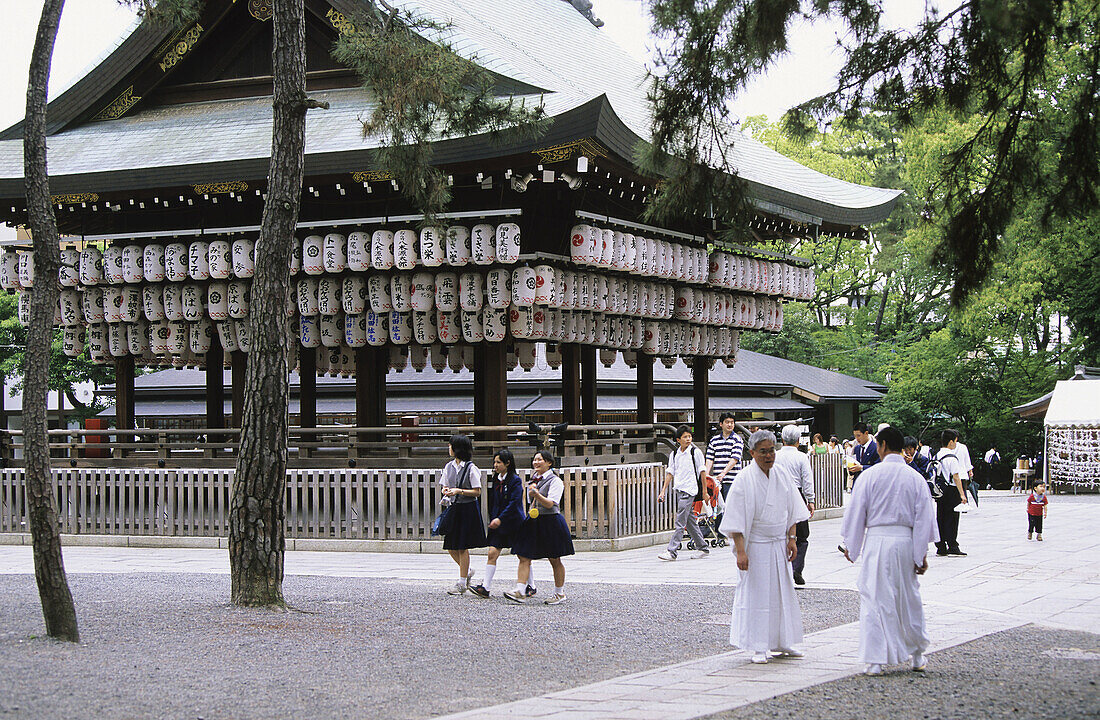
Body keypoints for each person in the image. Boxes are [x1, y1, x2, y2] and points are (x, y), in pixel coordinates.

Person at [841, 426, 938, 676]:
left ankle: (875, 660)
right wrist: (921, 553)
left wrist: (851, 546)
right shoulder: (914, 477)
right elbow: (924, 517)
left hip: (877, 540)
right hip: (905, 540)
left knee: (875, 597)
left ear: (882, 446)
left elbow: (856, 512)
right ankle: (917, 655)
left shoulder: (869, 476)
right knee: (908, 596)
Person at [718, 430, 811, 664]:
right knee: (757, 595)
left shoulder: (781, 475)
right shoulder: (743, 479)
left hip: (778, 542)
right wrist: (741, 550)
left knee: (782, 593)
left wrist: (791, 537)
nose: (769, 456)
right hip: (756, 545)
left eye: (771, 451)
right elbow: (736, 520)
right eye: (763, 452)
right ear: (752, 453)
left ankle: (783, 641)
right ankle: (759, 645)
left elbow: (792, 510)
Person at [504, 450, 574, 605]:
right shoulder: (535, 479)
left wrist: (536, 495)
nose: (536, 463)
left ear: (549, 462)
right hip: (534, 521)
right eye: (534, 460)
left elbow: (551, 503)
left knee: (554, 558)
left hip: (550, 522)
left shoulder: (555, 481)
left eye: (539, 460)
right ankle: (520, 590)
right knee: (523, 554)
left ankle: (559, 593)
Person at [469, 449, 527, 599]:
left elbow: (514, 503)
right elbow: (493, 501)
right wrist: (493, 517)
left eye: (498, 462)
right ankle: (485, 587)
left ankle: (530, 586)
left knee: (522, 555)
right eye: (494, 462)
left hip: (513, 521)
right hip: (497, 521)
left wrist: (501, 518)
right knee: (492, 553)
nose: (495, 465)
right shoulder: (496, 479)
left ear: (508, 463)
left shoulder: (515, 480)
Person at [440, 433, 487, 594]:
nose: (449, 448)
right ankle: (466, 571)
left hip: (467, 509)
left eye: (450, 445)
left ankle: (461, 583)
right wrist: (446, 490)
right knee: (451, 546)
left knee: (462, 546)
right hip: (454, 507)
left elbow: (477, 491)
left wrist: (459, 490)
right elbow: (444, 485)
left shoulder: (471, 468)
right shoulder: (448, 466)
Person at [657, 425, 710, 561]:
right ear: (678, 439)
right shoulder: (674, 454)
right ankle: (702, 547)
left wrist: (704, 491)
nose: (688, 439)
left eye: (689, 436)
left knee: (680, 521)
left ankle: (672, 551)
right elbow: (670, 473)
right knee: (690, 520)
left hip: (690, 490)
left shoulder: (695, 452)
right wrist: (663, 491)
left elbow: (702, 472)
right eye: (685, 437)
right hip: (679, 489)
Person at [775, 425, 815, 586]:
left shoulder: (775, 456)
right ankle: (796, 568)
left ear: (782, 439)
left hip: (777, 494)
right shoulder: (801, 457)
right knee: (802, 535)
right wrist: (810, 500)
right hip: (796, 494)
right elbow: (807, 480)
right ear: (798, 441)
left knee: (779, 533)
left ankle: (781, 570)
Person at [933, 429, 969, 557]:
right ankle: (952, 545)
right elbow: (956, 477)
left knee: (941, 517)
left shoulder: (937, 455)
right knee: (952, 519)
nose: (955, 443)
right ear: (950, 442)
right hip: (951, 490)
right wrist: (962, 494)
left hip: (940, 490)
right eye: (955, 441)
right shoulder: (951, 457)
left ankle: (941, 546)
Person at [706, 412, 744, 501]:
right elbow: (709, 458)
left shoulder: (737, 439)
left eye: (732, 422)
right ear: (721, 424)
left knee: (730, 508)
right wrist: (706, 474)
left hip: (732, 480)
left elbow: (735, 459)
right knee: (717, 509)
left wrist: (723, 473)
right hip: (717, 481)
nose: (730, 425)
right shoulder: (714, 440)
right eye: (727, 422)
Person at [851, 422, 880, 488]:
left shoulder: (876, 448)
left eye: (858, 435)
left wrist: (862, 468)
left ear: (866, 433)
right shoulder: (857, 448)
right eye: (855, 436)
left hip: (870, 484)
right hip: (858, 484)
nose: (857, 439)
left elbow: (878, 468)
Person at [953, 431, 978, 507]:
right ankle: (965, 504)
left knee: (955, 490)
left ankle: (958, 504)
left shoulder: (949, 447)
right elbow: (967, 460)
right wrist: (970, 471)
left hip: (953, 473)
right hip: (963, 473)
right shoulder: (963, 447)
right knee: (963, 490)